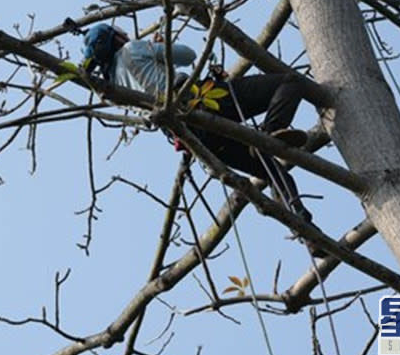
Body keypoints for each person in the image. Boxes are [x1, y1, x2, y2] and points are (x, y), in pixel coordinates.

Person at [82, 23, 323, 255]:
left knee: (274, 173)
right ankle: (269, 133)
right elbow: (187, 55)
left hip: (195, 139)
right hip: (202, 103)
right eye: (120, 33)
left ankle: (306, 232)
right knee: (290, 81)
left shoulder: (114, 89)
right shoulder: (132, 49)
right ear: (115, 39)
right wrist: (162, 47)